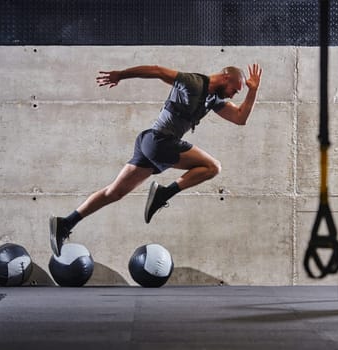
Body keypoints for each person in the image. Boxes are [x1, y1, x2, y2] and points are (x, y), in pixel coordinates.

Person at [49, 63, 263, 256]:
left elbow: (240, 118)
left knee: (114, 192)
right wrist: (120, 75)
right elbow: (157, 71)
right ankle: (163, 193)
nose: (235, 95)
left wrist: (253, 91)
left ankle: (66, 223)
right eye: (236, 89)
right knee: (212, 167)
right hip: (160, 141)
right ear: (226, 77)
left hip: (150, 143)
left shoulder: (212, 99)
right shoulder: (193, 82)